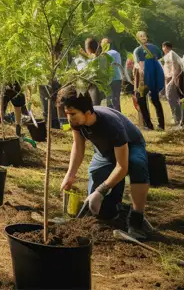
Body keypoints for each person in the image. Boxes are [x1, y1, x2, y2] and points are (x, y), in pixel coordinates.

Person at [58, 85, 153, 240]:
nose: (69, 118)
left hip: (131, 144)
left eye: (73, 114)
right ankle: (120, 210)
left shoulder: (111, 125)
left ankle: (137, 218)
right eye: (67, 113)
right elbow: (78, 147)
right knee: (100, 205)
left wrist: (101, 191)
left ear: (88, 113)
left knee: (136, 164)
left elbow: (122, 167)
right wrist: (70, 175)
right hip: (105, 150)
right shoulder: (77, 122)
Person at [133, 31, 165, 130]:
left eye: (143, 35)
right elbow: (160, 59)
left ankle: (148, 125)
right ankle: (161, 125)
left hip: (146, 77)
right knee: (155, 100)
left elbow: (141, 66)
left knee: (141, 100)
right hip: (155, 76)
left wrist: (141, 81)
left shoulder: (138, 50)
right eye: (141, 36)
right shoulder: (155, 47)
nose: (143, 37)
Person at [161, 42, 183, 129]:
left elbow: (175, 66)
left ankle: (177, 118)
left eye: (163, 47)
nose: (163, 49)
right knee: (170, 97)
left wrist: (174, 78)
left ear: (165, 47)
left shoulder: (172, 54)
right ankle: (176, 117)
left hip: (172, 78)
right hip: (168, 78)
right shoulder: (166, 56)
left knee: (171, 97)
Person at [101, 38, 123, 112]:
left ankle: (113, 118)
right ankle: (120, 117)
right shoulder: (117, 53)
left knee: (110, 102)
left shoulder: (105, 54)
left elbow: (103, 68)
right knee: (117, 101)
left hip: (109, 80)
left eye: (102, 43)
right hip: (118, 78)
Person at [82, 37, 105, 106]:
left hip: (93, 88)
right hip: (101, 88)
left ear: (88, 49)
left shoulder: (90, 60)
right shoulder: (102, 58)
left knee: (95, 108)